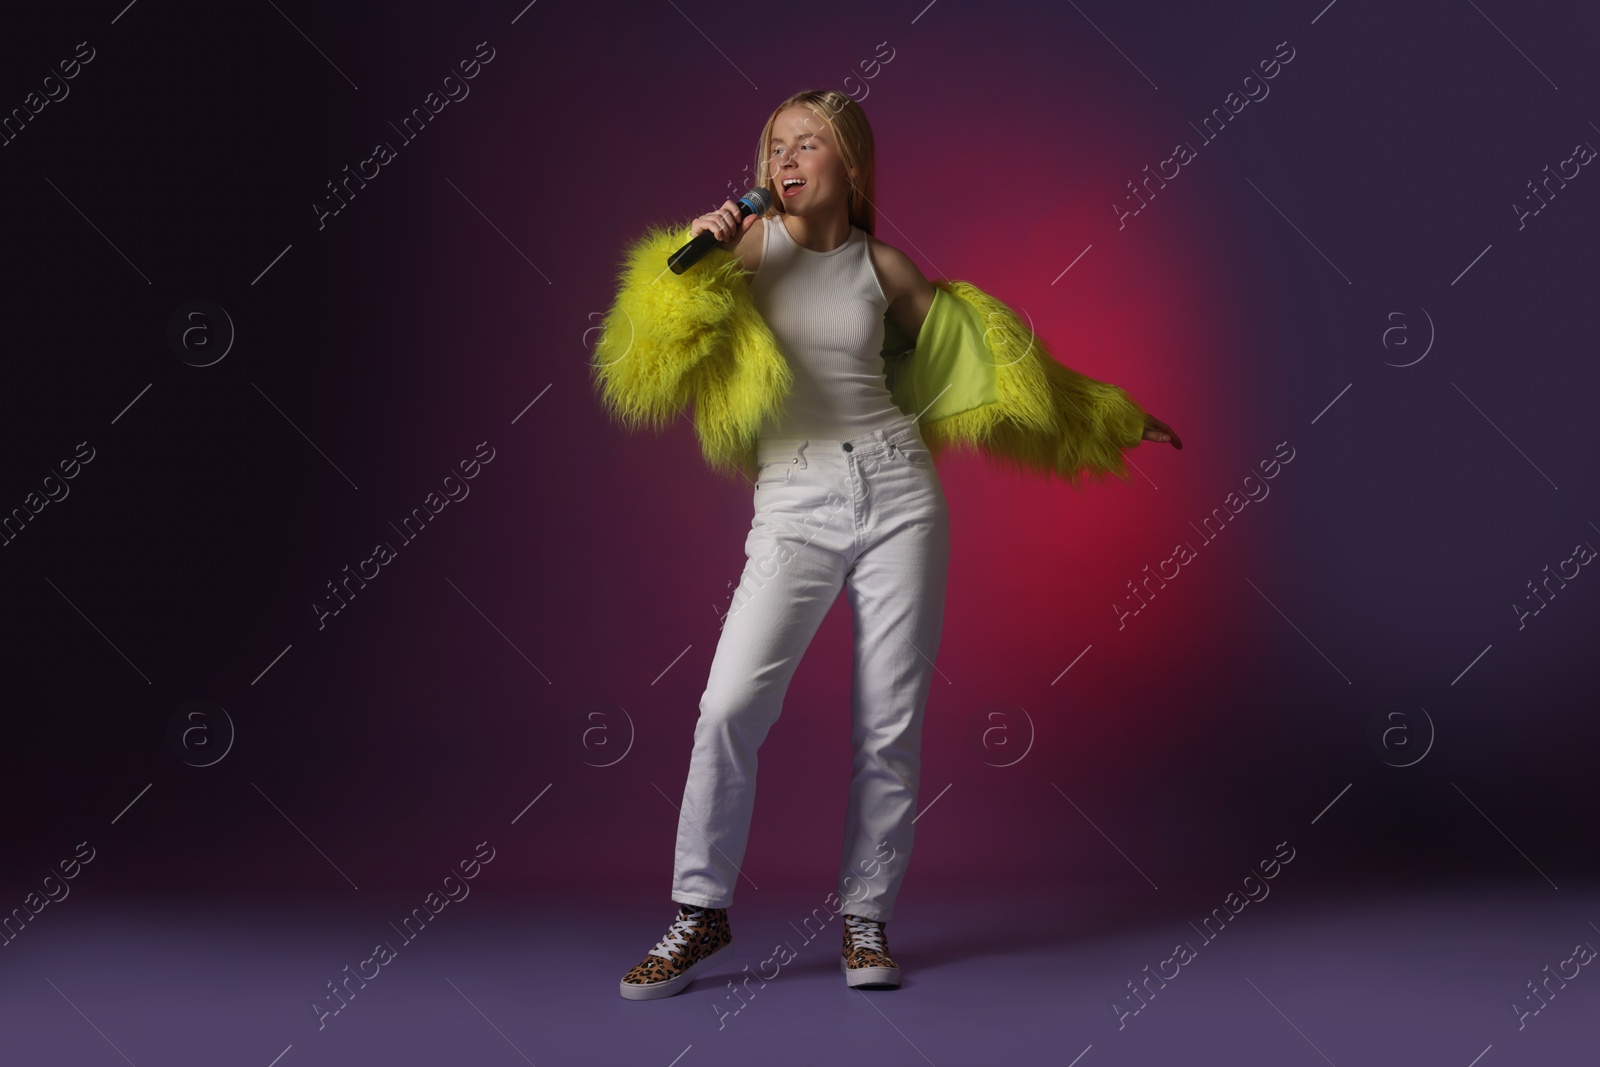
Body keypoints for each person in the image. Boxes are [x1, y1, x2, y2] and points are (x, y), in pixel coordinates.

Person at [595, 90, 1181, 1002]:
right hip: (794, 502)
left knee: (889, 722)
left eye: (806, 144)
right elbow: (646, 351)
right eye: (774, 146)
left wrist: (1112, 418)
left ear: (851, 166)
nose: (784, 160)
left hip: (901, 493)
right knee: (727, 706)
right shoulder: (746, 251)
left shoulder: (885, 269)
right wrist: (690, 264)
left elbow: (1002, 366)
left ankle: (865, 920)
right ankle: (698, 912)